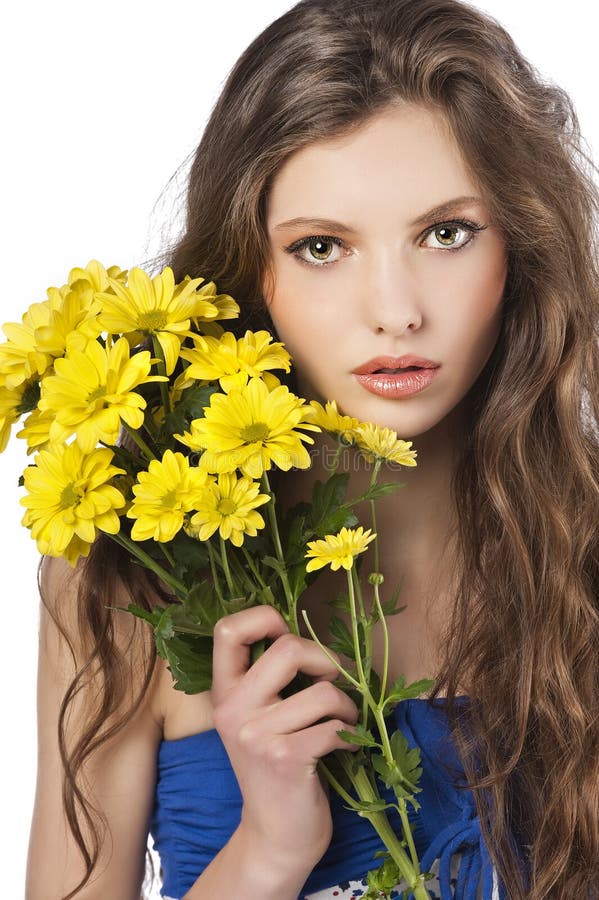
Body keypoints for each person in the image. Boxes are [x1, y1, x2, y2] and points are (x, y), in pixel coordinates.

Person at [25, 0, 599, 898]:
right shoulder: (127, 580)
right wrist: (269, 847)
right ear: (248, 268)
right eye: (322, 247)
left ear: (521, 246)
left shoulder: (583, 551)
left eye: (445, 233)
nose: (396, 309)